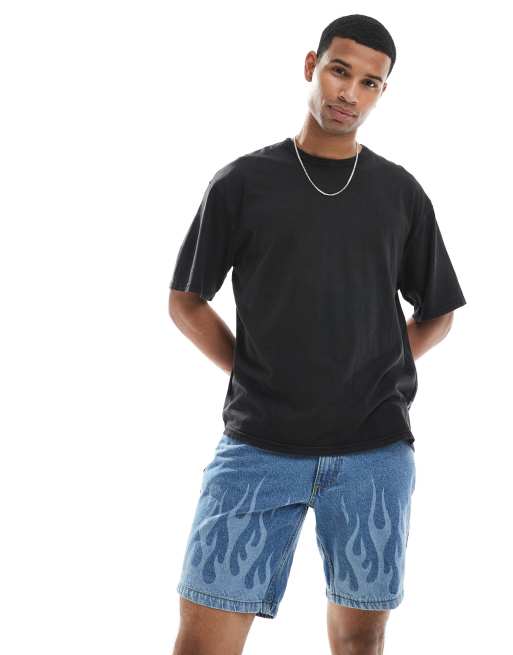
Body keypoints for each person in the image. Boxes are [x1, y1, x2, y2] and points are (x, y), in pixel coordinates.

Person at [168, 13, 466, 655]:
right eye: (339, 71)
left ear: (382, 92)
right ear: (312, 66)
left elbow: (438, 310)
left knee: (361, 641)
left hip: (373, 452)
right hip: (258, 445)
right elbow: (186, 301)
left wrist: (380, 364)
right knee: (202, 640)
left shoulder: (400, 193)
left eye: (369, 82)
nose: (349, 93)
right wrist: (250, 368)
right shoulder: (243, 183)